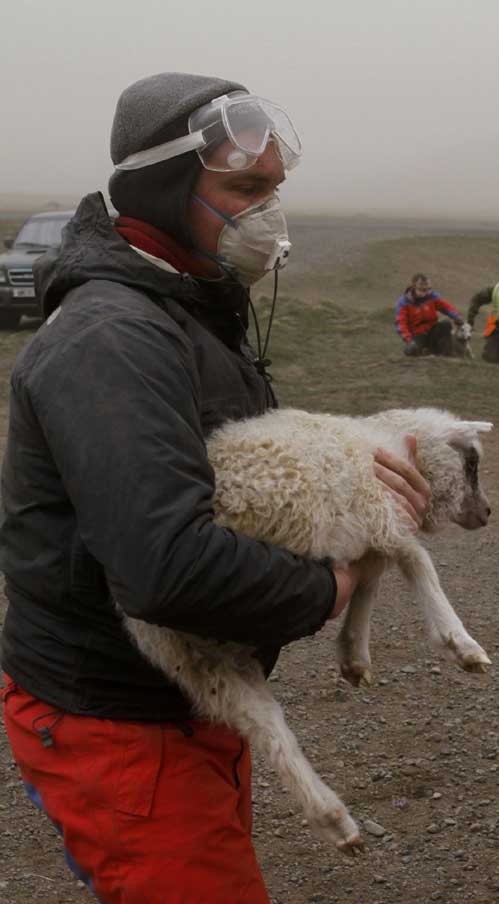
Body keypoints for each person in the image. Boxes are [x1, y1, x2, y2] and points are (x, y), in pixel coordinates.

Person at [0, 72, 430, 904]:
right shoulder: (113, 337)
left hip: (182, 693)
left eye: (276, 190)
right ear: (164, 191)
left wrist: (352, 462)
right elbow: (166, 564)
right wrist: (328, 586)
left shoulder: (185, 304)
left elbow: (226, 466)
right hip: (114, 718)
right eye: (245, 189)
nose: (269, 214)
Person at [394, 272, 465, 357]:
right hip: (417, 334)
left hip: (432, 330)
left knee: (446, 324)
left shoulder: (432, 297)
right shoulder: (404, 302)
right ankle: (423, 352)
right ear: (414, 287)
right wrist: (408, 340)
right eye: (422, 289)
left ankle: (445, 354)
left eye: (428, 289)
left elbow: (446, 307)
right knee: (412, 351)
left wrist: (456, 316)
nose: (426, 292)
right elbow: (400, 323)